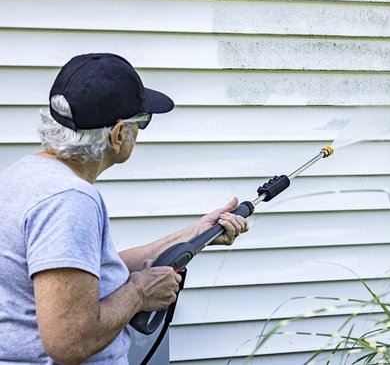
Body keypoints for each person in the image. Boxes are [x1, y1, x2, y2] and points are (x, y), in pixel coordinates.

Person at [0, 53, 248, 364]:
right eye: (141, 121)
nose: (140, 131)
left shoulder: (23, 175)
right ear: (118, 135)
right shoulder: (70, 200)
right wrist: (139, 294)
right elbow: (68, 342)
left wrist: (197, 232)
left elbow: (88, 275)